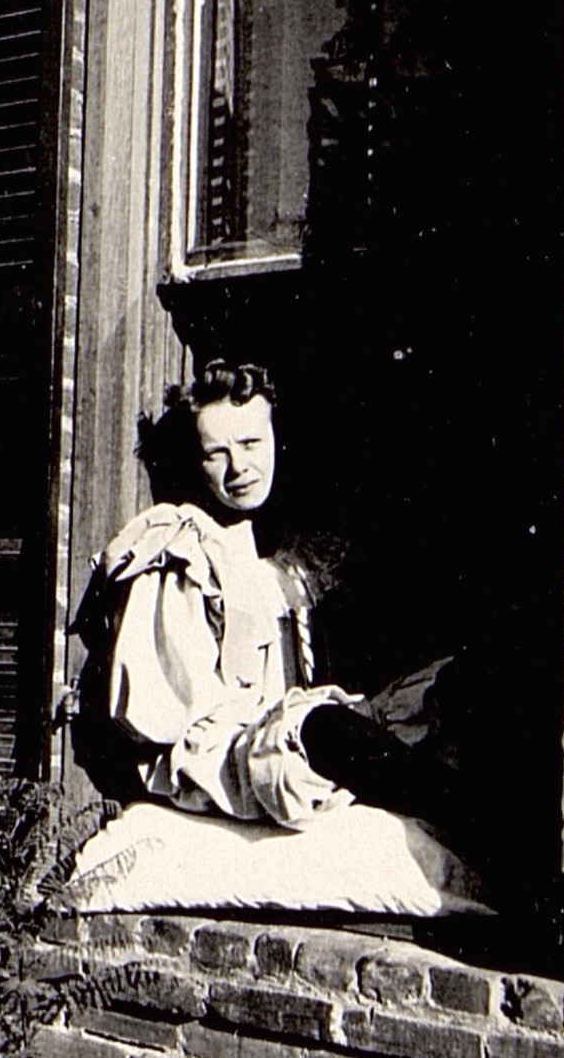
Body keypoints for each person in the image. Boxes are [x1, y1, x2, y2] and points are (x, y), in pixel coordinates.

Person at [70, 359, 468, 848]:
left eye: (251, 443)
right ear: (195, 460)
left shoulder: (278, 559)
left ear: (275, 439)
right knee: (327, 730)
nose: (239, 468)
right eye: (216, 453)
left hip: (281, 733)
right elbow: (172, 720)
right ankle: (466, 819)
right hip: (213, 756)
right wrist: (289, 727)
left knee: (449, 682)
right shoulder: (183, 550)